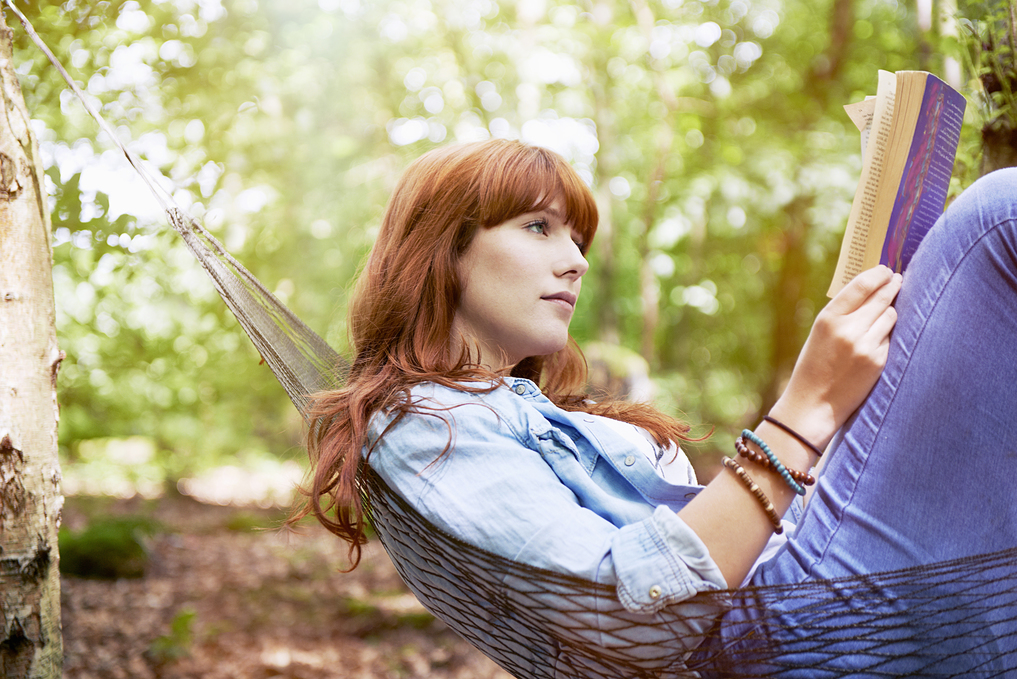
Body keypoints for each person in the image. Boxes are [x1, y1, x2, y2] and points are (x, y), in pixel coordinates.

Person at [299, 139, 1017, 673]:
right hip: (774, 644)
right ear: (443, 249)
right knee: (995, 219)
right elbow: (635, 620)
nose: (576, 260)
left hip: (804, 591)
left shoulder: (547, 412)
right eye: (538, 227)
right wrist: (804, 409)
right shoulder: (422, 426)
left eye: (577, 238)